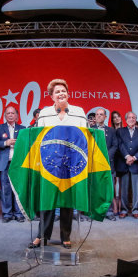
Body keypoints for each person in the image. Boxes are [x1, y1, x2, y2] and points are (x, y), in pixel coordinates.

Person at [29, 79, 88, 249]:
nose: (61, 93)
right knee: (47, 201)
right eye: (57, 92)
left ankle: (66, 236)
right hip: (50, 164)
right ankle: (42, 235)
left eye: (63, 90)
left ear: (67, 93)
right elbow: (39, 138)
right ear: (51, 96)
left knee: (66, 202)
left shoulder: (78, 112)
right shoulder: (45, 113)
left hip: (71, 165)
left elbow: (84, 136)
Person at [0, 106, 26, 223]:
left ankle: (18, 213)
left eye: (13, 113)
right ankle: (7, 213)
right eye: (8, 113)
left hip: (17, 163)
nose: (11, 115)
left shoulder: (23, 129)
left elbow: (26, 145)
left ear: (17, 116)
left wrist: (19, 144)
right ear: (5, 116)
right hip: (5, 163)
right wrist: (5, 142)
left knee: (17, 189)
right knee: (5, 189)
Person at [115, 111, 138, 219]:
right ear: (126, 119)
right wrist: (127, 156)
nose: (131, 119)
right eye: (129, 117)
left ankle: (136, 210)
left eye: (133, 117)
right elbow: (119, 145)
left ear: (136, 119)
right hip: (124, 164)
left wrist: (134, 157)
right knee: (123, 189)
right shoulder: (120, 131)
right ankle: (123, 209)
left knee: (137, 189)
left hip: (136, 164)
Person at [91, 108, 119, 221]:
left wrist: (106, 156)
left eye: (101, 114)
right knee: (95, 189)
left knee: (108, 189)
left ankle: (109, 211)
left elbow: (115, 145)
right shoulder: (90, 130)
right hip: (95, 165)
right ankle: (95, 212)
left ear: (105, 117)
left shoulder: (111, 131)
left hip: (108, 164)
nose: (98, 116)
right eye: (97, 114)